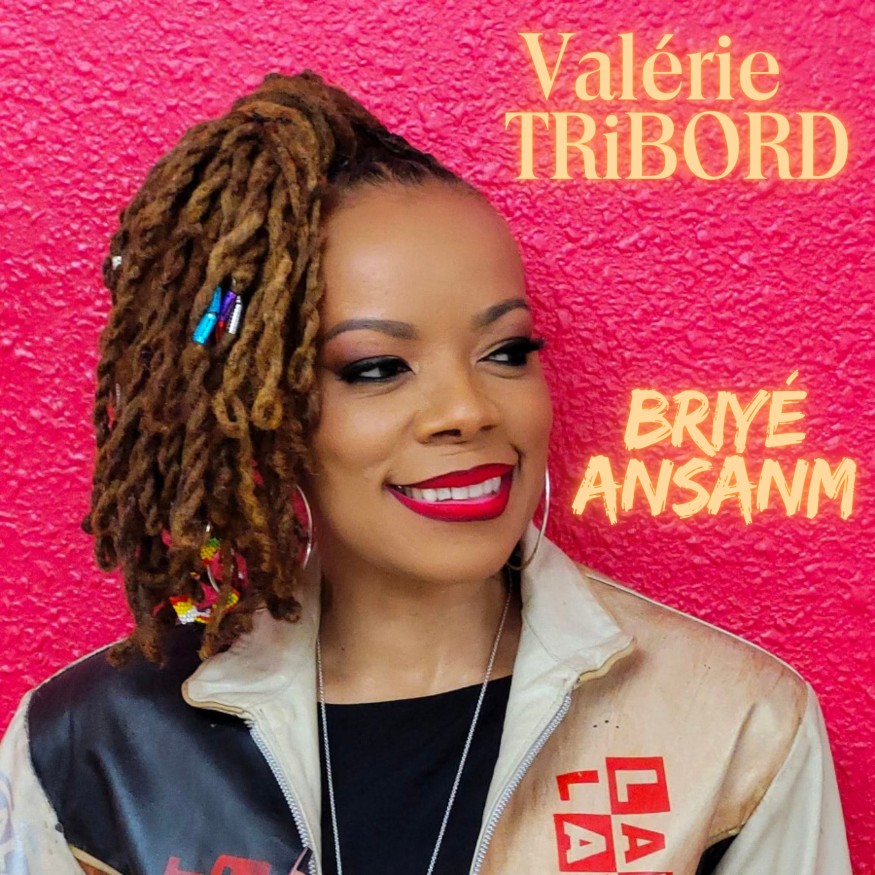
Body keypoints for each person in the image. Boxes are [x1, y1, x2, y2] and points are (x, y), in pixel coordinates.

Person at [0, 70, 852, 875]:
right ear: (255, 406)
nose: (468, 410)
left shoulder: (732, 723)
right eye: (376, 366)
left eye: (505, 351)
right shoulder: (86, 750)